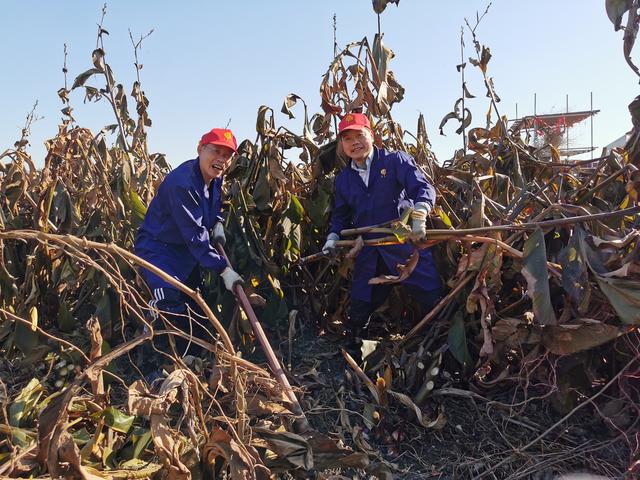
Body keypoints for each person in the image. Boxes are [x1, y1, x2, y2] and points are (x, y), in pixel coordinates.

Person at [323, 113, 442, 338]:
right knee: (361, 301)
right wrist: (333, 237)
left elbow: (423, 188)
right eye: (347, 139)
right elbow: (341, 215)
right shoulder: (344, 179)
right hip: (369, 250)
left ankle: (436, 341)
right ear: (342, 145)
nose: (354, 143)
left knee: (430, 297)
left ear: (372, 135)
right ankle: (355, 345)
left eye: (360, 135)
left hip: (404, 243)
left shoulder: (395, 161)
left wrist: (420, 213)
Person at [135, 128, 243, 358]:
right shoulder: (182, 184)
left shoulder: (215, 177)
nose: (221, 159)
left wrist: (217, 222)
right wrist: (223, 269)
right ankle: (156, 359)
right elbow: (195, 236)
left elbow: (209, 210)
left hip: (183, 250)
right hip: (159, 248)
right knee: (169, 301)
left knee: (195, 301)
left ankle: (193, 355)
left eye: (227, 155)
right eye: (215, 151)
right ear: (200, 149)